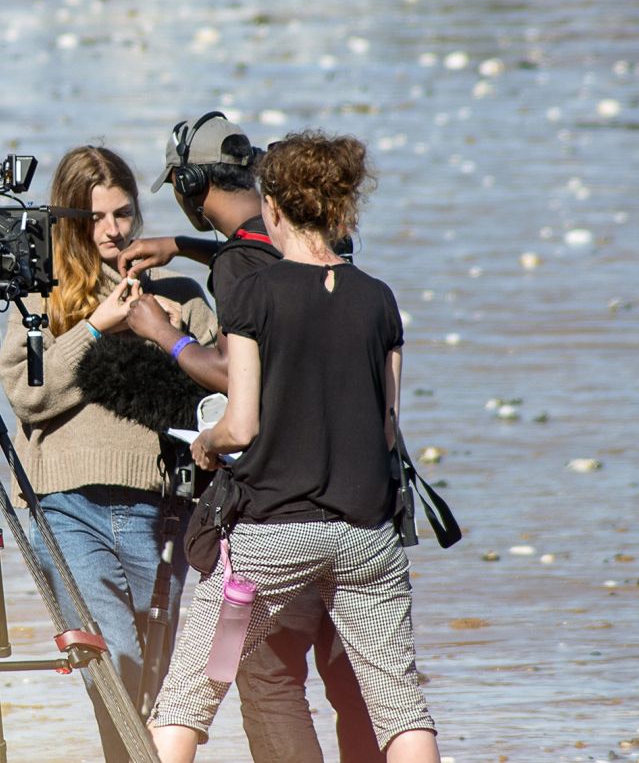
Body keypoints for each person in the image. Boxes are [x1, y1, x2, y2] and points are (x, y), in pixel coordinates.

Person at [148, 131, 440, 763]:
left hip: (268, 546)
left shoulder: (255, 293)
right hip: (366, 540)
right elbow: (387, 427)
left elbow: (243, 424)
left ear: (274, 207)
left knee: (191, 696)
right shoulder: (379, 298)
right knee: (401, 709)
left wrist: (206, 441)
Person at [0, 146, 216, 762]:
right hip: (68, 511)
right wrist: (95, 326)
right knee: (112, 664)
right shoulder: (40, 299)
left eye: (124, 214)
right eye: (96, 218)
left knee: (164, 685)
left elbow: (224, 396)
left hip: (166, 512)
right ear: (70, 221)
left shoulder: (182, 295)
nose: (114, 231)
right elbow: (27, 395)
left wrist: (163, 331)